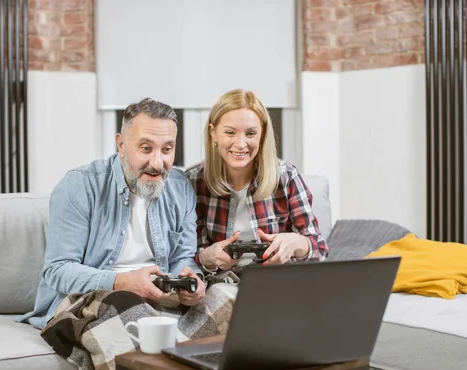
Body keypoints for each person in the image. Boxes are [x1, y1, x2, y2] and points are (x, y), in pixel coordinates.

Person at [17, 98, 206, 329]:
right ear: (121, 144)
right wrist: (121, 282)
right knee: (131, 318)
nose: (157, 163)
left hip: (159, 297)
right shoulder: (79, 186)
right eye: (146, 148)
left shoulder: (180, 186)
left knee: (227, 303)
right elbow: (58, 270)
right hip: (91, 298)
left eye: (167, 149)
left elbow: (182, 259)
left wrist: (192, 281)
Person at [186, 89, 328, 273]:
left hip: (276, 279)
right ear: (213, 133)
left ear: (262, 135)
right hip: (220, 282)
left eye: (251, 133)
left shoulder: (286, 176)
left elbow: (320, 248)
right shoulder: (193, 181)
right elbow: (183, 256)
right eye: (230, 132)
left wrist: (296, 242)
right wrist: (208, 257)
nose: (240, 143)